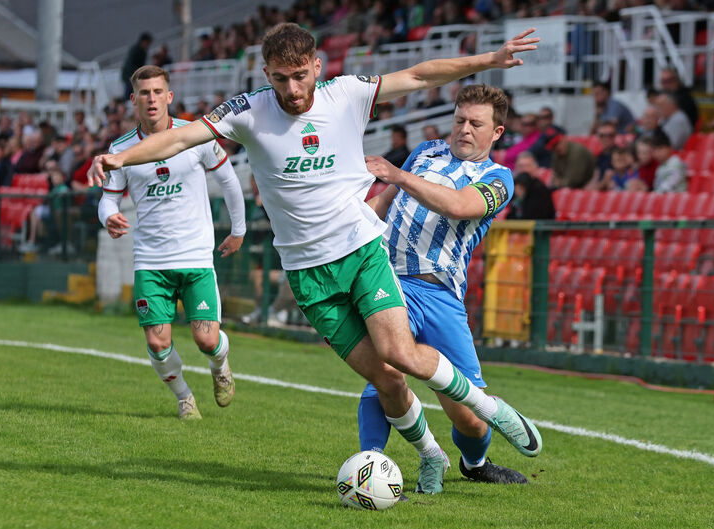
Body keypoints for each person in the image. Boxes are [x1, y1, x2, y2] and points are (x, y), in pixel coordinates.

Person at [89, 23, 543, 493]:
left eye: (301, 76)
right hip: (308, 276)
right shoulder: (247, 111)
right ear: (266, 73)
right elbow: (180, 139)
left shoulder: (346, 93)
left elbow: (421, 74)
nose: (292, 89)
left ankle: (495, 412)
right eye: (281, 78)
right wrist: (120, 159)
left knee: (397, 353)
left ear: (317, 67)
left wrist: (489, 59)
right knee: (384, 379)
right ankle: (431, 454)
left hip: (361, 251)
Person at [358, 84, 534, 486]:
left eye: (476, 123)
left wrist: (398, 174)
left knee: (469, 418)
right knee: (385, 371)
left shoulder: (499, 178)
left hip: (440, 293)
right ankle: (369, 465)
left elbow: (458, 206)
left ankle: (474, 465)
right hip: (388, 278)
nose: (465, 130)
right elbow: (386, 199)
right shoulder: (425, 152)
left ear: (497, 133)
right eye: (459, 120)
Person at [98, 65, 246, 419]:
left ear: (170, 96)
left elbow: (229, 180)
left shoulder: (196, 135)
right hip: (150, 260)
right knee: (156, 342)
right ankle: (184, 397)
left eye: (157, 92)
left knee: (208, 341)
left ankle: (220, 367)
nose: (151, 99)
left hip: (195, 257)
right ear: (134, 100)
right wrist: (108, 216)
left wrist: (238, 230)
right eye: (144, 93)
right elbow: (108, 198)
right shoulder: (121, 149)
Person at [121, 32, 153, 100]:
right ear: (143, 41)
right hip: (130, 75)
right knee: (129, 91)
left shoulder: (143, 51)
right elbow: (130, 64)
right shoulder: (135, 50)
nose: (148, 45)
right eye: (147, 43)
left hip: (135, 75)